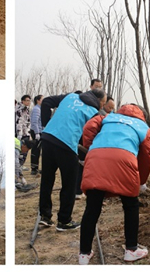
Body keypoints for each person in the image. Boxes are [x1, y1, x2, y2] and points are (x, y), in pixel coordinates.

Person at [79, 104, 150, 264]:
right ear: (142, 115)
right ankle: (131, 250)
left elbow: (89, 127)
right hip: (124, 160)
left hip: (96, 157)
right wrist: (142, 182)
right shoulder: (143, 127)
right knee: (131, 205)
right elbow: (146, 157)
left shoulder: (108, 117)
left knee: (92, 207)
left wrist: (91, 148)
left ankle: (84, 254)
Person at [38, 88, 106, 231]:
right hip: (66, 145)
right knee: (69, 184)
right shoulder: (93, 113)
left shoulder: (70, 97)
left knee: (47, 180)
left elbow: (46, 102)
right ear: (99, 101)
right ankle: (64, 221)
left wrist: (46, 125)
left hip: (48, 138)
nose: (102, 106)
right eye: (103, 103)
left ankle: (44, 216)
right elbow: (87, 136)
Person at [15, 94, 32, 166]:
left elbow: (27, 121)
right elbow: (19, 122)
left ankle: (20, 166)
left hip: (26, 133)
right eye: (27, 100)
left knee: (25, 151)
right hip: (20, 134)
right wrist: (19, 133)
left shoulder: (27, 109)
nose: (28, 102)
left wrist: (28, 132)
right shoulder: (19, 109)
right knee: (19, 151)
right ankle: (18, 167)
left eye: (29, 101)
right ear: (23, 101)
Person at [29, 95, 44, 175]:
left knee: (39, 150)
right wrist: (37, 133)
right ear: (38, 100)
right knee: (36, 150)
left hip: (40, 131)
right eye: (42, 99)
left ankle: (37, 168)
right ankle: (34, 168)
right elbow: (34, 122)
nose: (43, 100)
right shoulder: (36, 109)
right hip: (36, 132)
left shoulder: (40, 109)